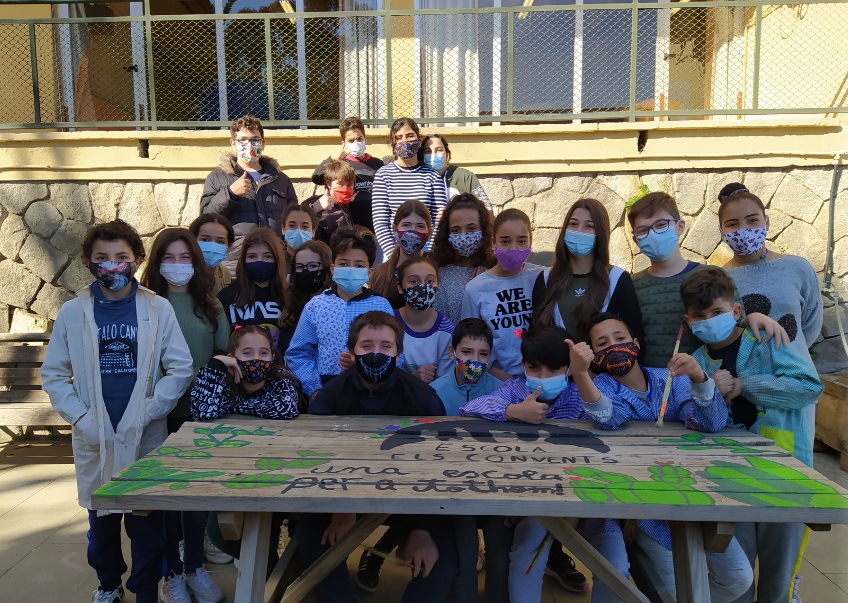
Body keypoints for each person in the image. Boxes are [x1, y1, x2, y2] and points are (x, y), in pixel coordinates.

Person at [41, 219, 193, 603]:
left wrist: (150, 409)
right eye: (102, 258)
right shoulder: (73, 313)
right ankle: (109, 583)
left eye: (121, 257)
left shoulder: (158, 309)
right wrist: (81, 418)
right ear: (87, 262)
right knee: (102, 529)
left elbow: (180, 367)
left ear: (138, 259)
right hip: (95, 438)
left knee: (147, 527)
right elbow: (54, 374)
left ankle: (145, 591)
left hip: (145, 436)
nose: (112, 265)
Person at [570, 312, 751, 602]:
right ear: (594, 356)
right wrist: (580, 374)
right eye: (602, 344)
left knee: (739, 578)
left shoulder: (671, 380)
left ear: (636, 343)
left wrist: (699, 377)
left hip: (695, 498)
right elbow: (606, 418)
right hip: (646, 511)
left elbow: (711, 423)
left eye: (620, 338)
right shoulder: (600, 388)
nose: (613, 346)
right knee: (677, 592)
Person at [681, 268, 823, 603]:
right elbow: (701, 422)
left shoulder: (767, 339)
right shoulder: (698, 364)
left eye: (716, 312)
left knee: (778, 582)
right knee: (738, 578)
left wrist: (744, 385)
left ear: (735, 311)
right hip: (731, 479)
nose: (709, 321)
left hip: (785, 476)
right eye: (699, 316)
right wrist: (709, 393)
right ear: (689, 321)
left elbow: (808, 386)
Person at [302, 311, 451, 603]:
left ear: (398, 353)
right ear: (352, 351)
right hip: (341, 493)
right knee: (312, 534)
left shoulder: (423, 398)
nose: (376, 353)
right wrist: (340, 507)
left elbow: (438, 464)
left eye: (386, 346)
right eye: (367, 346)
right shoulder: (331, 395)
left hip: (411, 496)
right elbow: (316, 456)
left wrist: (422, 528)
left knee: (442, 560)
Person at [459, 325, 586, 603]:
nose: (543, 376)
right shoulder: (516, 390)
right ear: (524, 365)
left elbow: (607, 416)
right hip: (521, 494)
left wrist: (583, 374)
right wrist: (513, 411)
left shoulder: (579, 394)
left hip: (572, 493)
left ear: (568, 367)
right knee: (523, 551)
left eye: (554, 368)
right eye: (534, 367)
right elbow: (469, 408)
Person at [139, 227, 230, 603]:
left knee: (197, 500)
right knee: (166, 501)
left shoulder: (210, 305)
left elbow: (224, 353)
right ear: (156, 263)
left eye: (185, 258)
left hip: (200, 416)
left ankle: (194, 567)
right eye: (168, 258)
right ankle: (171, 573)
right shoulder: (144, 304)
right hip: (159, 417)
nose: (177, 265)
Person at [716, 184, 824, 456]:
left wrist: (786, 351)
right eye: (732, 224)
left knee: (793, 467)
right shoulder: (720, 279)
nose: (743, 230)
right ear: (722, 232)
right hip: (743, 390)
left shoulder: (797, 268)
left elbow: (810, 324)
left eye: (752, 220)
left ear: (766, 222)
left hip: (793, 387)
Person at [190, 325, 302, 580]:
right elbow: (202, 412)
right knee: (228, 532)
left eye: (263, 353)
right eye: (247, 353)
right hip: (233, 470)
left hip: (279, 471)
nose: (256, 359)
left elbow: (285, 409)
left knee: (277, 530)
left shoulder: (282, 380)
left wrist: (234, 407)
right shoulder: (223, 381)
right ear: (233, 357)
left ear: (272, 356)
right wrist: (216, 366)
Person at [627, 192, 789, 368]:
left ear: (680, 227)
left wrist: (752, 318)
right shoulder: (630, 286)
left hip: (712, 380)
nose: (653, 233)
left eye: (660, 225)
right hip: (651, 383)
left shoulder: (714, 275)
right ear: (635, 239)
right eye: (643, 230)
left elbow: (735, 328)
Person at [428, 318, 509, 603]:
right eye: (466, 352)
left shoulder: (502, 390)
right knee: (465, 557)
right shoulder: (434, 392)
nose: (475, 360)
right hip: (455, 489)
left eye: (483, 354)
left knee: (500, 558)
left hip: (497, 488)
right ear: (452, 352)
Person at [286, 226, 394, 397]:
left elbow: (396, 351)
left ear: (369, 272)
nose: (351, 269)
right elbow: (298, 353)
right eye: (343, 264)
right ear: (332, 268)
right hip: (327, 391)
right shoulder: (316, 306)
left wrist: (364, 363)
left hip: (372, 393)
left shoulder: (381, 306)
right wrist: (315, 390)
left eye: (359, 265)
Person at [533, 198, 644, 346]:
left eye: (589, 226)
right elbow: (535, 336)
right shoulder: (545, 278)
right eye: (573, 224)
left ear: (600, 233)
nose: (579, 231)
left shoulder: (617, 278)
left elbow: (634, 338)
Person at [200, 114, 298, 272]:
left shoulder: (281, 179)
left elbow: (292, 221)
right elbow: (205, 218)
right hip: (235, 261)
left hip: (274, 259)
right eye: (243, 140)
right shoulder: (217, 177)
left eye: (255, 140)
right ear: (233, 143)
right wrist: (230, 193)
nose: (249, 145)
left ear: (263, 144)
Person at [461, 208, 543, 381]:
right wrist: (495, 373)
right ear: (493, 242)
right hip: (496, 380)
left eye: (522, 241)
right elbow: (470, 339)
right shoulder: (475, 288)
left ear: (531, 241)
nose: (514, 248)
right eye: (505, 241)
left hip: (541, 376)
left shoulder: (543, 277)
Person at [371, 117, 448, 257]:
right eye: (399, 137)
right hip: (393, 256)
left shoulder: (432, 176)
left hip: (425, 256)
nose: (405, 141)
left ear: (419, 140)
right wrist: (396, 256)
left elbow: (439, 221)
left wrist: (425, 254)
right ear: (392, 143)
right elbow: (380, 222)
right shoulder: (383, 175)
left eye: (410, 136)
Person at [430, 192, 495, 324]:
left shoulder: (497, 270)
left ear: (483, 229)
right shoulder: (440, 276)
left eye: (471, 228)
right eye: (455, 230)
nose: (464, 236)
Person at [312, 116, 385, 233]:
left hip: (375, 224)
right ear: (344, 143)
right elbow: (316, 178)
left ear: (365, 139)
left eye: (360, 139)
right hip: (351, 224)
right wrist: (331, 158)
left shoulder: (377, 164)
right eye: (351, 140)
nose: (357, 143)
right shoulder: (342, 165)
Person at [217, 227, 287, 348]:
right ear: (243, 259)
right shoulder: (226, 297)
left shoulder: (290, 298)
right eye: (252, 256)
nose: (259, 262)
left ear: (277, 259)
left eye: (267, 256)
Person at [393, 257, 454, 383]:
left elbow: (444, 383)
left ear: (438, 285)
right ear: (399, 287)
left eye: (430, 281)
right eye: (414, 281)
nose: (423, 287)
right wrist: (412, 379)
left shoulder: (448, 332)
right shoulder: (388, 324)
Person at [370, 200, 433, 309]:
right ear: (395, 229)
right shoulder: (381, 274)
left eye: (420, 226)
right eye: (406, 225)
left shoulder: (436, 267)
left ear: (429, 233)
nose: (412, 231)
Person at [278, 239, 333, 355]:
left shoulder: (335, 307)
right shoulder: (291, 307)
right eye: (300, 267)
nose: (306, 271)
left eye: (313, 266)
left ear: (327, 268)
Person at [420, 133, 493, 212]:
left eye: (439, 150)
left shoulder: (465, 176)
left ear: (447, 155)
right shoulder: (418, 178)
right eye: (428, 151)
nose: (433, 155)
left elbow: (487, 210)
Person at [302, 160, 355, 246]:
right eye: (340, 184)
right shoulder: (313, 203)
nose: (345, 188)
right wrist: (315, 209)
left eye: (349, 185)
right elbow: (302, 235)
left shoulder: (346, 206)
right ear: (328, 184)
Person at [189, 213, 235, 295]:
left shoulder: (224, 273)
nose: (212, 246)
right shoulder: (183, 271)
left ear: (229, 247)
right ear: (192, 240)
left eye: (220, 241)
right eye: (205, 240)